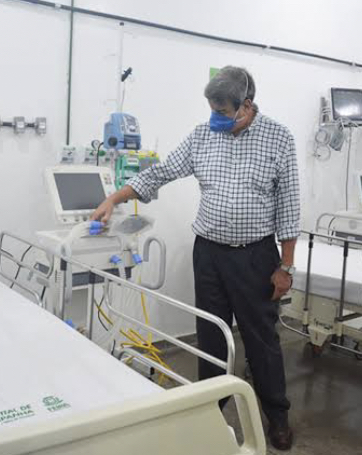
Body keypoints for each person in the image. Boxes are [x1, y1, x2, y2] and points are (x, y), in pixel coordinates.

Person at [91, 66, 300, 450]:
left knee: (261, 340)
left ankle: (277, 416)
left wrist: (285, 267)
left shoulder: (278, 139)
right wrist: (114, 198)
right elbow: (161, 172)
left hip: (255, 257)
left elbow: (289, 206)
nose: (215, 118)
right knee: (210, 336)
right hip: (208, 255)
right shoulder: (203, 136)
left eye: (222, 111)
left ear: (246, 106)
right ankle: (210, 410)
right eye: (212, 110)